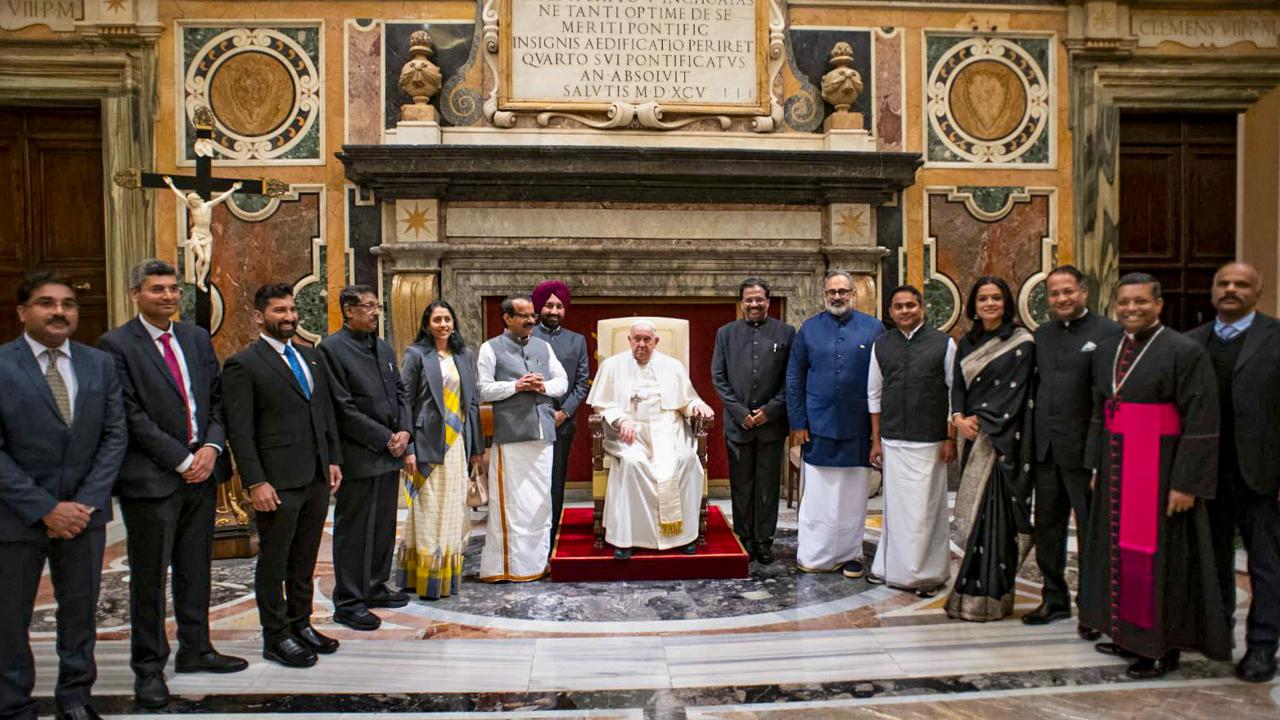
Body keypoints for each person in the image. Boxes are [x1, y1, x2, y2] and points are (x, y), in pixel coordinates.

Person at [97, 260, 247, 710]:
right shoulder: (116, 345)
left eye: (172, 290)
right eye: (156, 289)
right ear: (135, 294)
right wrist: (182, 458)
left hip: (203, 473)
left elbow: (217, 399)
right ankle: (148, 668)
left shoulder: (196, 338)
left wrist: (211, 450)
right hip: (151, 480)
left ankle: (196, 648)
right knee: (148, 578)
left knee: (196, 568)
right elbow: (129, 413)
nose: (167, 296)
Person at [1081, 272, 1230, 679]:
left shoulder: (1184, 350)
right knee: (1114, 550)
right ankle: (1125, 633)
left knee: (1157, 558)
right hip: (1116, 462)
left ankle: (1158, 647)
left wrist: (1186, 482)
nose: (1131, 309)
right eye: (1124, 302)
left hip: (1158, 467)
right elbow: (1099, 409)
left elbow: (1202, 418)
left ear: (1158, 305)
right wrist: (1096, 463)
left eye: (1140, 302)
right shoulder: (1108, 348)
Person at [0, 272, 126, 720]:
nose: (59, 312)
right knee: (9, 620)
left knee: (80, 616)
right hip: (16, 519)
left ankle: (75, 698)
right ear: (22, 312)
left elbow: (115, 436)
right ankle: (13, 704)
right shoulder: (2, 365)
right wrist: (45, 508)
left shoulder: (99, 364)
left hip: (83, 517)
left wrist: (85, 503)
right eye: (46, 303)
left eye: (68, 304)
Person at [222, 283, 343, 668]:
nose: (289, 317)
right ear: (260, 316)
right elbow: (239, 430)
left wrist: (333, 460)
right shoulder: (245, 363)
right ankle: (275, 637)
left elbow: (323, 414)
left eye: (292, 310)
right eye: (279, 311)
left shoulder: (310, 358)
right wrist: (255, 482)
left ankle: (301, 623)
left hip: (315, 476)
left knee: (305, 559)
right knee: (275, 562)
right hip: (276, 482)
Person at [1187, 262, 1280, 683]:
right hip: (1207, 476)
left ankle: (1262, 647)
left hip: (1262, 476)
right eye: (1223, 284)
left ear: (1257, 293)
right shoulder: (1191, 343)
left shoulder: (1277, 338)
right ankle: (1216, 632)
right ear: (1212, 292)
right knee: (1211, 561)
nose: (1230, 290)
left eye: (1241, 284)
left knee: (1266, 566)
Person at [1024, 265, 1120, 637]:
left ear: (1083, 291)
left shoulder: (1108, 332)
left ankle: (1094, 607)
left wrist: (1100, 457)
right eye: (1054, 293)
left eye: (1068, 292)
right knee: (1048, 529)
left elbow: (1107, 400)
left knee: (1093, 534)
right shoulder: (1043, 334)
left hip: (1085, 455)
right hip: (1047, 451)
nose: (1062, 299)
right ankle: (1054, 598)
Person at [317, 285, 412, 631]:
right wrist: (384, 437)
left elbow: (400, 392)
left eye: (377, 306)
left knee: (384, 526)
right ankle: (349, 600)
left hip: (391, 452)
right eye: (368, 307)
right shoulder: (331, 349)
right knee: (355, 530)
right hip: (359, 454)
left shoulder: (382, 346)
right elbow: (342, 406)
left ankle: (374, 586)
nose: (375, 312)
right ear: (348, 310)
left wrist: (404, 431)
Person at [945, 276, 1035, 622]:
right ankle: (972, 593)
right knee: (972, 522)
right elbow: (957, 388)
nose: (990, 303)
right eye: (983, 298)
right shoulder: (966, 343)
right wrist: (958, 418)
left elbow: (1018, 393)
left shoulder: (1022, 342)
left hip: (1004, 444)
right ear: (974, 305)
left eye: (996, 297)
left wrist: (981, 420)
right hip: (972, 440)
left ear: (1006, 302)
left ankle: (993, 594)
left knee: (996, 519)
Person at [588, 319, 715, 559]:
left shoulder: (673, 366)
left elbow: (687, 400)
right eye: (637, 339)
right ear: (629, 340)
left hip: (670, 430)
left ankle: (683, 535)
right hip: (629, 433)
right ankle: (628, 538)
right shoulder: (612, 366)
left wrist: (699, 404)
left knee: (687, 460)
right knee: (633, 465)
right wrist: (620, 420)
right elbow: (600, 404)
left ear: (656, 342)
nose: (642, 344)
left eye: (648, 339)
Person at [786, 270, 883, 577]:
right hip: (817, 425)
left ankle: (850, 554)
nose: (837, 296)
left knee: (853, 498)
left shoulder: (874, 329)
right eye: (832, 292)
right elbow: (794, 377)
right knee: (818, 497)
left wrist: (878, 433)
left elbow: (883, 379)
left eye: (843, 291)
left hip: (859, 426)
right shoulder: (809, 329)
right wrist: (798, 422)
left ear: (853, 294)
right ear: (824, 295)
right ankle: (815, 553)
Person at [867, 285, 956, 596]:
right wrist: (876, 441)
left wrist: (950, 438)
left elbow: (953, 394)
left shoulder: (943, 344)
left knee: (925, 510)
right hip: (893, 439)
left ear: (922, 308)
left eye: (910, 306)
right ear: (890, 312)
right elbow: (874, 395)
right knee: (896, 510)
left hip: (930, 440)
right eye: (898, 307)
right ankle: (891, 568)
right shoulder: (882, 345)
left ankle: (926, 574)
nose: (904, 311)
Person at [476, 295, 567, 582]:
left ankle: (536, 564)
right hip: (511, 436)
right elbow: (482, 390)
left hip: (542, 434)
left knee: (540, 504)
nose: (530, 321)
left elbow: (561, 382)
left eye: (532, 316)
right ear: (507, 318)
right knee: (513, 505)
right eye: (524, 316)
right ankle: (507, 567)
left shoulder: (544, 346)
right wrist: (516, 386)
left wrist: (543, 386)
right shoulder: (490, 348)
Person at [397, 300, 484, 599]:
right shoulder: (417, 355)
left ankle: (445, 576)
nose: (444, 324)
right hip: (426, 443)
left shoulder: (464, 355)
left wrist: (477, 449)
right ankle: (424, 578)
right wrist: (407, 446)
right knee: (428, 509)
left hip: (457, 442)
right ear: (426, 325)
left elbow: (471, 403)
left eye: (448, 319)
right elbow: (404, 402)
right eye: (437, 320)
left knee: (452, 507)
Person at [711, 277, 794, 564]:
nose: (754, 304)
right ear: (742, 302)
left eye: (759, 299)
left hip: (772, 424)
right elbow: (718, 377)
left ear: (768, 302)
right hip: (738, 425)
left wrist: (769, 410)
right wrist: (739, 412)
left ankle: (764, 541)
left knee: (768, 487)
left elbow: (790, 378)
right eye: (749, 299)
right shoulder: (726, 333)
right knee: (742, 485)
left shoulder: (786, 332)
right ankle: (743, 538)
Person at [531, 280, 590, 547]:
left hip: (562, 424)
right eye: (548, 305)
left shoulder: (576, 341)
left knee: (555, 483)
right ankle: (530, 538)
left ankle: (550, 537)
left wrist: (564, 413)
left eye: (559, 306)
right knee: (531, 484)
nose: (554, 311)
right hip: (530, 421)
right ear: (538, 307)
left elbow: (582, 383)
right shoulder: (527, 336)